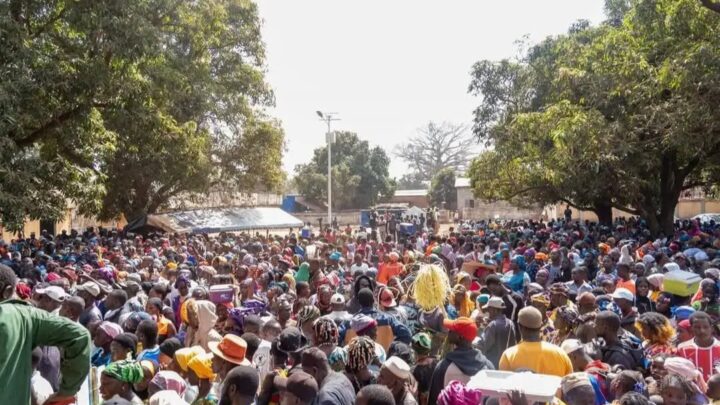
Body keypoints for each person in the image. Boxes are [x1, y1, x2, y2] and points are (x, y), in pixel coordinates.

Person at [428, 317, 494, 405]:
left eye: (452, 330)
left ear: (460, 337)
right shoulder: (488, 366)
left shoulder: (443, 367)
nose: (449, 332)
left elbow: (433, 399)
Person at [498, 306, 573, 377]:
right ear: (541, 326)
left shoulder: (509, 355)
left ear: (519, 326)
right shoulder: (561, 354)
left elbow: (504, 385)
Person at [561, 339, 610, 404]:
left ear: (573, 356)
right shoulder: (604, 366)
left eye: (566, 361)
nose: (566, 365)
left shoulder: (587, 380)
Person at [677, 311, 720, 382]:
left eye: (705, 327)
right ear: (691, 329)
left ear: (712, 328)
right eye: (697, 327)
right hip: (692, 392)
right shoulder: (682, 349)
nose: (702, 330)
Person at [475, 296, 516, 368]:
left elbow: (483, 346)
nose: (488, 312)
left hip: (493, 364)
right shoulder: (510, 323)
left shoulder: (493, 325)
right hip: (508, 363)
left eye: (489, 309)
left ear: (494, 310)